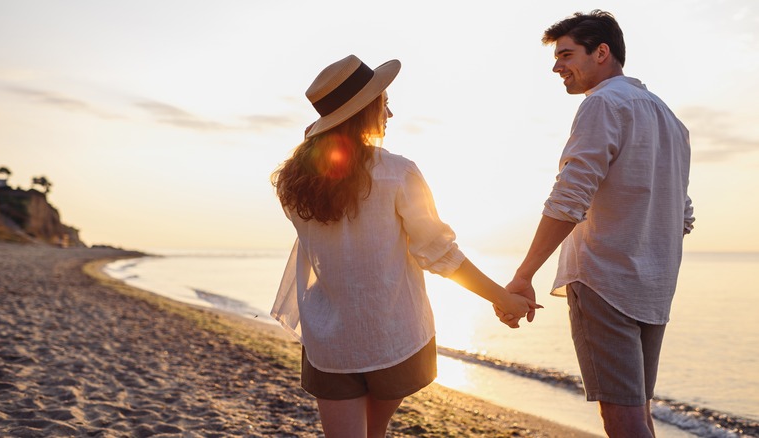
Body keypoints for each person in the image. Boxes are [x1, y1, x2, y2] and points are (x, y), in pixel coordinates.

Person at [270, 54, 540, 438]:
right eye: (384, 103)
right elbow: (439, 254)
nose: (390, 114)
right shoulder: (396, 173)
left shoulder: (295, 184)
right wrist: (502, 297)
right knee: (375, 432)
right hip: (390, 332)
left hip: (330, 338)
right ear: (364, 111)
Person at [494, 10, 695, 438]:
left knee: (622, 420)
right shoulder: (670, 120)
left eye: (566, 54)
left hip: (606, 281)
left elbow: (570, 198)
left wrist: (523, 274)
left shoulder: (602, 103)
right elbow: (684, 215)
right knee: (638, 413)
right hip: (654, 289)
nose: (556, 66)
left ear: (602, 53)